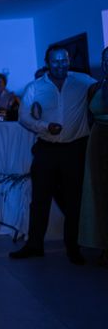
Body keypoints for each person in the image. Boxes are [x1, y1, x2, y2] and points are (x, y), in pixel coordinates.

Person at [10, 46, 95, 265]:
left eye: (64, 60)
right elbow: (23, 117)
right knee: (39, 200)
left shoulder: (84, 82)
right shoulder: (35, 87)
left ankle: (73, 248)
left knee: (74, 201)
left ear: (69, 60)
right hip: (46, 149)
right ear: (47, 62)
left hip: (75, 149)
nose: (60, 65)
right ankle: (34, 245)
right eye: (55, 61)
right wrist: (45, 126)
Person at [79, 46, 108, 265]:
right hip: (98, 141)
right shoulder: (95, 87)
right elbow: (88, 117)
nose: (107, 64)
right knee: (99, 193)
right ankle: (104, 245)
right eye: (104, 60)